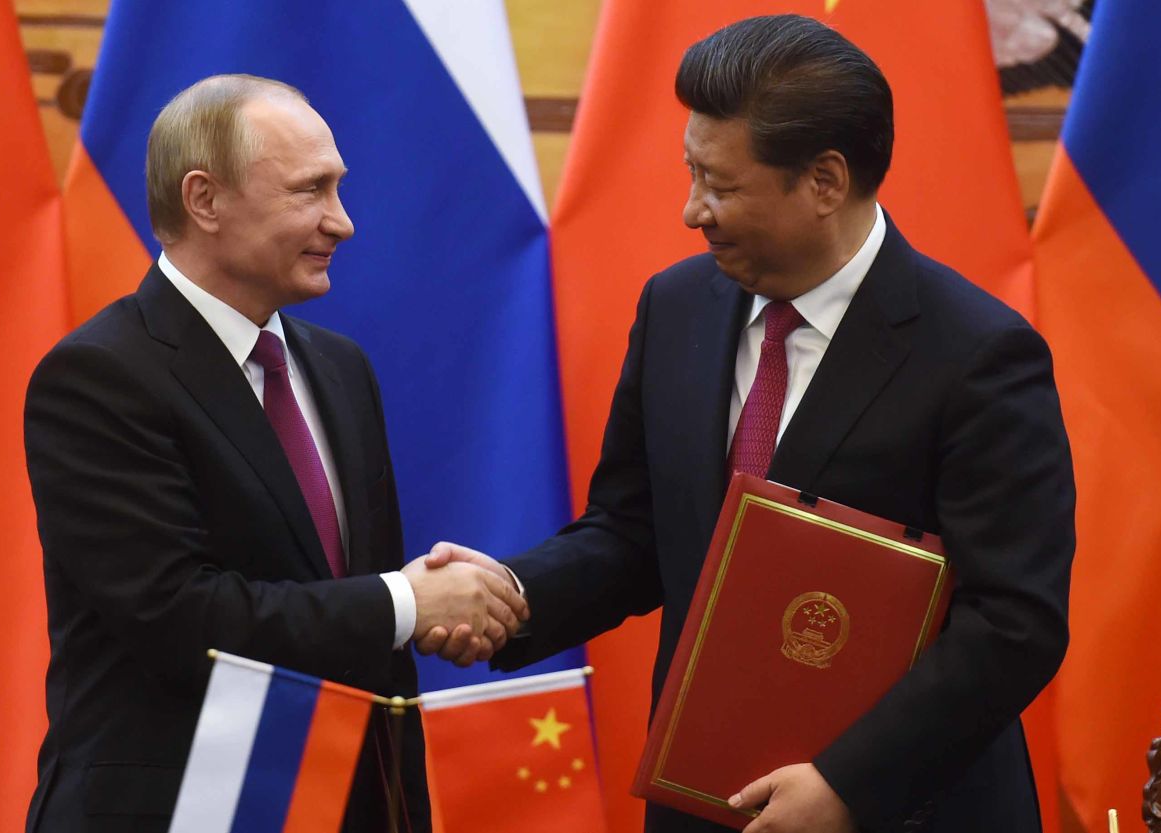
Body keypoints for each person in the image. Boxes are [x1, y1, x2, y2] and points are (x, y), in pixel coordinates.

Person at [420, 15, 1075, 833]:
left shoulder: (980, 355)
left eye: (721, 185)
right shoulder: (676, 307)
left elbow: (1014, 623)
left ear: (826, 181)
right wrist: (511, 595)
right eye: (692, 172)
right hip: (704, 799)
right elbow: (634, 532)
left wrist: (847, 782)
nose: (692, 209)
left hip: (903, 808)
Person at [22, 75, 526, 833]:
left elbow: (358, 619)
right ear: (205, 200)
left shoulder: (340, 367)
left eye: (339, 189)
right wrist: (409, 601)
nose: (343, 222)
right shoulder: (99, 376)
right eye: (310, 191)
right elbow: (181, 617)